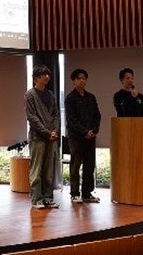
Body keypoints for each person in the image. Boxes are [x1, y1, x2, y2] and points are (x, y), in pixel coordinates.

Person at [25, 64, 60, 209]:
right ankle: (36, 199)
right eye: (43, 75)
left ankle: (47, 198)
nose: (47, 77)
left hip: (51, 137)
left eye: (48, 74)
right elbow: (32, 117)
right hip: (37, 137)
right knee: (36, 170)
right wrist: (46, 132)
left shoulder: (50, 95)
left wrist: (55, 130)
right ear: (36, 78)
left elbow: (56, 115)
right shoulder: (30, 94)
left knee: (48, 171)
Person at [64, 68, 101, 204]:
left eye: (84, 78)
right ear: (73, 81)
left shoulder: (91, 97)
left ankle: (87, 193)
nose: (82, 80)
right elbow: (71, 119)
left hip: (91, 137)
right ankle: (74, 193)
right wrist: (85, 132)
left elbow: (97, 115)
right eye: (79, 78)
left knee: (89, 165)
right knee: (75, 165)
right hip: (76, 137)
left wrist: (94, 130)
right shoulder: (70, 98)